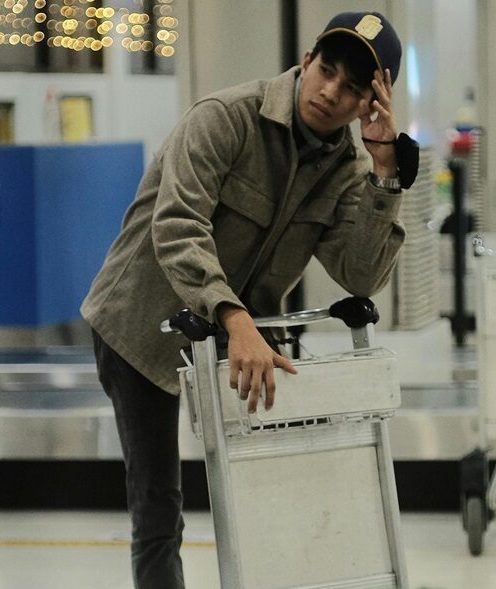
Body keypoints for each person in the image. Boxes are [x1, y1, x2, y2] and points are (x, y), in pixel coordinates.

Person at [81, 11, 418, 588]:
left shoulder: (350, 168)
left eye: (353, 88)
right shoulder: (225, 119)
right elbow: (179, 226)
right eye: (327, 71)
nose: (331, 92)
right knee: (160, 509)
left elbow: (359, 273)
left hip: (246, 339)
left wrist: (385, 172)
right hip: (141, 323)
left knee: (267, 493)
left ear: (372, 103)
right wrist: (233, 317)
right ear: (307, 60)